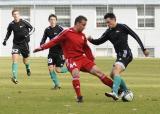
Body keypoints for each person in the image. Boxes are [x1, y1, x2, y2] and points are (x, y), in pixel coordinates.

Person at [33, 15, 113, 102]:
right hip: (71, 59)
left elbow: (86, 48)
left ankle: (117, 90)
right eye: (83, 25)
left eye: (85, 25)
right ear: (77, 23)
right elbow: (54, 41)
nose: (84, 27)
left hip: (82, 59)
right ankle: (79, 97)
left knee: (99, 72)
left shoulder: (82, 35)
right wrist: (42, 47)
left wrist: (91, 59)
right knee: (75, 74)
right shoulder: (66, 32)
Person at [87, 13, 149, 100]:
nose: (108, 24)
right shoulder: (108, 32)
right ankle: (126, 90)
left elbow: (135, 36)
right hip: (119, 55)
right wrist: (91, 40)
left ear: (114, 19)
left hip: (126, 53)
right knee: (112, 74)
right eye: (106, 23)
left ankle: (115, 92)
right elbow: (99, 41)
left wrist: (144, 49)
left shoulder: (123, 27)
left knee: (116, 70)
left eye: (109, 22)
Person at [2, 9, 35, 84]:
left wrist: (28, 34)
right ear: (12, 15)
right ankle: (15, 77)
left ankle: (28, 68)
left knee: (25, 61)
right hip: (16, 44)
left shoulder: (24, 21)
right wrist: (5, 40)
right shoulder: (11, 24)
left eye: (17, 14)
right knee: (14, 59)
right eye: (14, 14)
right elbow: (8, 33)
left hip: (24, 44)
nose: (16, 15)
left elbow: (33, 28)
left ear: (19, 15)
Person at [40, 14, 68, 89]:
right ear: (49, 21)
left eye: (54, 19)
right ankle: (57, 85)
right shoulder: (47, 29)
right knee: (50, 68)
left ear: (56, 20)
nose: (52, 21)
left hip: (60, 52)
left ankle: (69, 68)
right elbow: (44, 38)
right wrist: (41, 45)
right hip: (51, 52)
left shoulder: (60, 29)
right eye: (51, 19)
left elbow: (66, 39)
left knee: (58, 70)